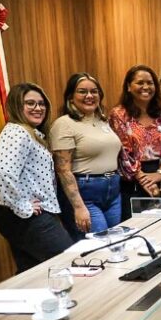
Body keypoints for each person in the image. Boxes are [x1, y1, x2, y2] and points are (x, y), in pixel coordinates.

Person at [0, 83, 73, 273]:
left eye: (41, 103)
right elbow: (2, 173)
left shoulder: (30, 133)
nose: (38, 108)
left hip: (23, 215)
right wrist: (23, 206)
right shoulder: (16, 132)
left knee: (32, 274)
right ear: (16, 106)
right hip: (26, 216)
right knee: (69, 264)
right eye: (30, 103)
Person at [51, 73, 122, 240]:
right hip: (85, 193)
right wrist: (78, 207)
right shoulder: (64, 124)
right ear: (70, 97)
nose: (89, 96)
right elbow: (63, 170)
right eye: (82, 91)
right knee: (98, 244)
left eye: (94, 91)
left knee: (115, 242)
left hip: (113, 190)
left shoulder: (102, 121)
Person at [109, 65, 161, 220]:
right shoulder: (119, 115)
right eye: (140, 82)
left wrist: (160, 174)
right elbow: (122, 153)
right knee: (136, 227)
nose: (146, 87)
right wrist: (144, 179)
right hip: (132, 180)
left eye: (150, 83)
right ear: (129, 86)